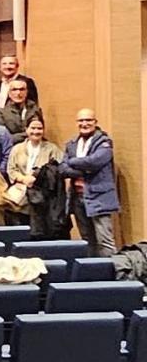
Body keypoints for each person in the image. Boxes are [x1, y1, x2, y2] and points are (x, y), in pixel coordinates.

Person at [62, 109, 119, 257]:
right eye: (81, 120)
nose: (84, 123)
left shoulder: (104, 142)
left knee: (104, 240)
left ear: (95, 122)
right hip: (77, 198)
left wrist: (73, 162)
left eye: (88, 120)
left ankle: (113, 276)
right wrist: (84, 170)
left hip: (99, 197)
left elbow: (94, 162)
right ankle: (93, 274)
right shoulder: (72, 144)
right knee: (87, 240)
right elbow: (62, 168)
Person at [4, 114, 61, 226]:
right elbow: (11, 169)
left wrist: (38, 178)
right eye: (33, 128)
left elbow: (58, 169)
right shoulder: (17, 148)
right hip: (20, 189)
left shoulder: (52, 149)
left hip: (42, 192)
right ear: (26, 130)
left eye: (39, 128)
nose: (36, 131)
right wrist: (23, 179)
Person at [0, 79, 43, 145]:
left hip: (34, 145)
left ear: (26, 92)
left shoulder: (35, 110)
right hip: (12, 148)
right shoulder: (2, 113)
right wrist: (27, 134)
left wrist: (17, 136)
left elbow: (37, 132)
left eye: (22, 89)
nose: (18, 93)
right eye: (14, 90)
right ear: (9, 93)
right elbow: (4, 138)